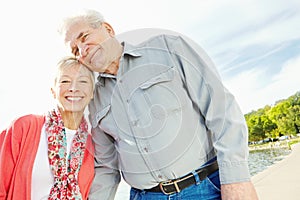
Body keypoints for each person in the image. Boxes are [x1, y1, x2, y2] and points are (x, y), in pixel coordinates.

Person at [59, 9, 258, 200]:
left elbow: (222, 111)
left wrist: (236, 180)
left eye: (84, 37)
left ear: (108, 29)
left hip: (206, 188)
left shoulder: (169, 48)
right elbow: (107, 167)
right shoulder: (94, 100)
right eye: (76, 50)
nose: (83, 50)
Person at [0, 57, 95, 200]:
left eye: (83, 81)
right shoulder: (24, 127)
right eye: (65, 81)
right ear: (53, 90)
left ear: (92, 92)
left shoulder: (94, 145)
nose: (74, 88)